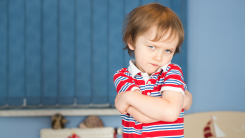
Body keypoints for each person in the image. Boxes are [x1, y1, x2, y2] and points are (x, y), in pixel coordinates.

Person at [113, 3, 192, 138]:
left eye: (168, 50)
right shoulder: (122, 76)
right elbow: (141, 116)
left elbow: (170, 113)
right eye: (152, 47)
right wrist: (175, 105)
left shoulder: (172, 72)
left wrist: (128, 97)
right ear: (131, 41)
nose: (159, 57)